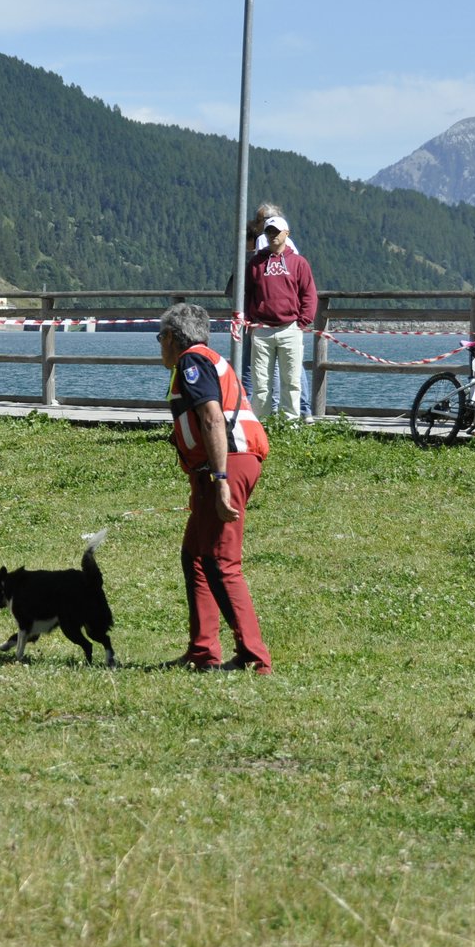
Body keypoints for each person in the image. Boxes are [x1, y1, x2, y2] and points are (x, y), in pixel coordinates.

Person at [156, 302, 271, 674]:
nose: (160, 345)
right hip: (222, 466)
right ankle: (204, 651)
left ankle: (255, 658)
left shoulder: (192, 362)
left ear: (172, 337)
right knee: (195, 555)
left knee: (222, 560)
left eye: (161, 337)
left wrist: (220, 481)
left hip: (229, 465)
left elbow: (210, 418)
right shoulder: (204, 359)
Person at [244, 214, 317, 422]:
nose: (272, 236)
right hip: (262, 330)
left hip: (290, 329)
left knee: (292, 381)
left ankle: (291, 424)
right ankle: (262, 423)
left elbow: (309, 294)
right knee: (261, 383)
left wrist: (302, 321)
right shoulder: (256, 263)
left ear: (287, 233)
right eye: (268, 232)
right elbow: (248, 293)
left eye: (276, 232)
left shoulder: (299, 263)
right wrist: (250, 319)